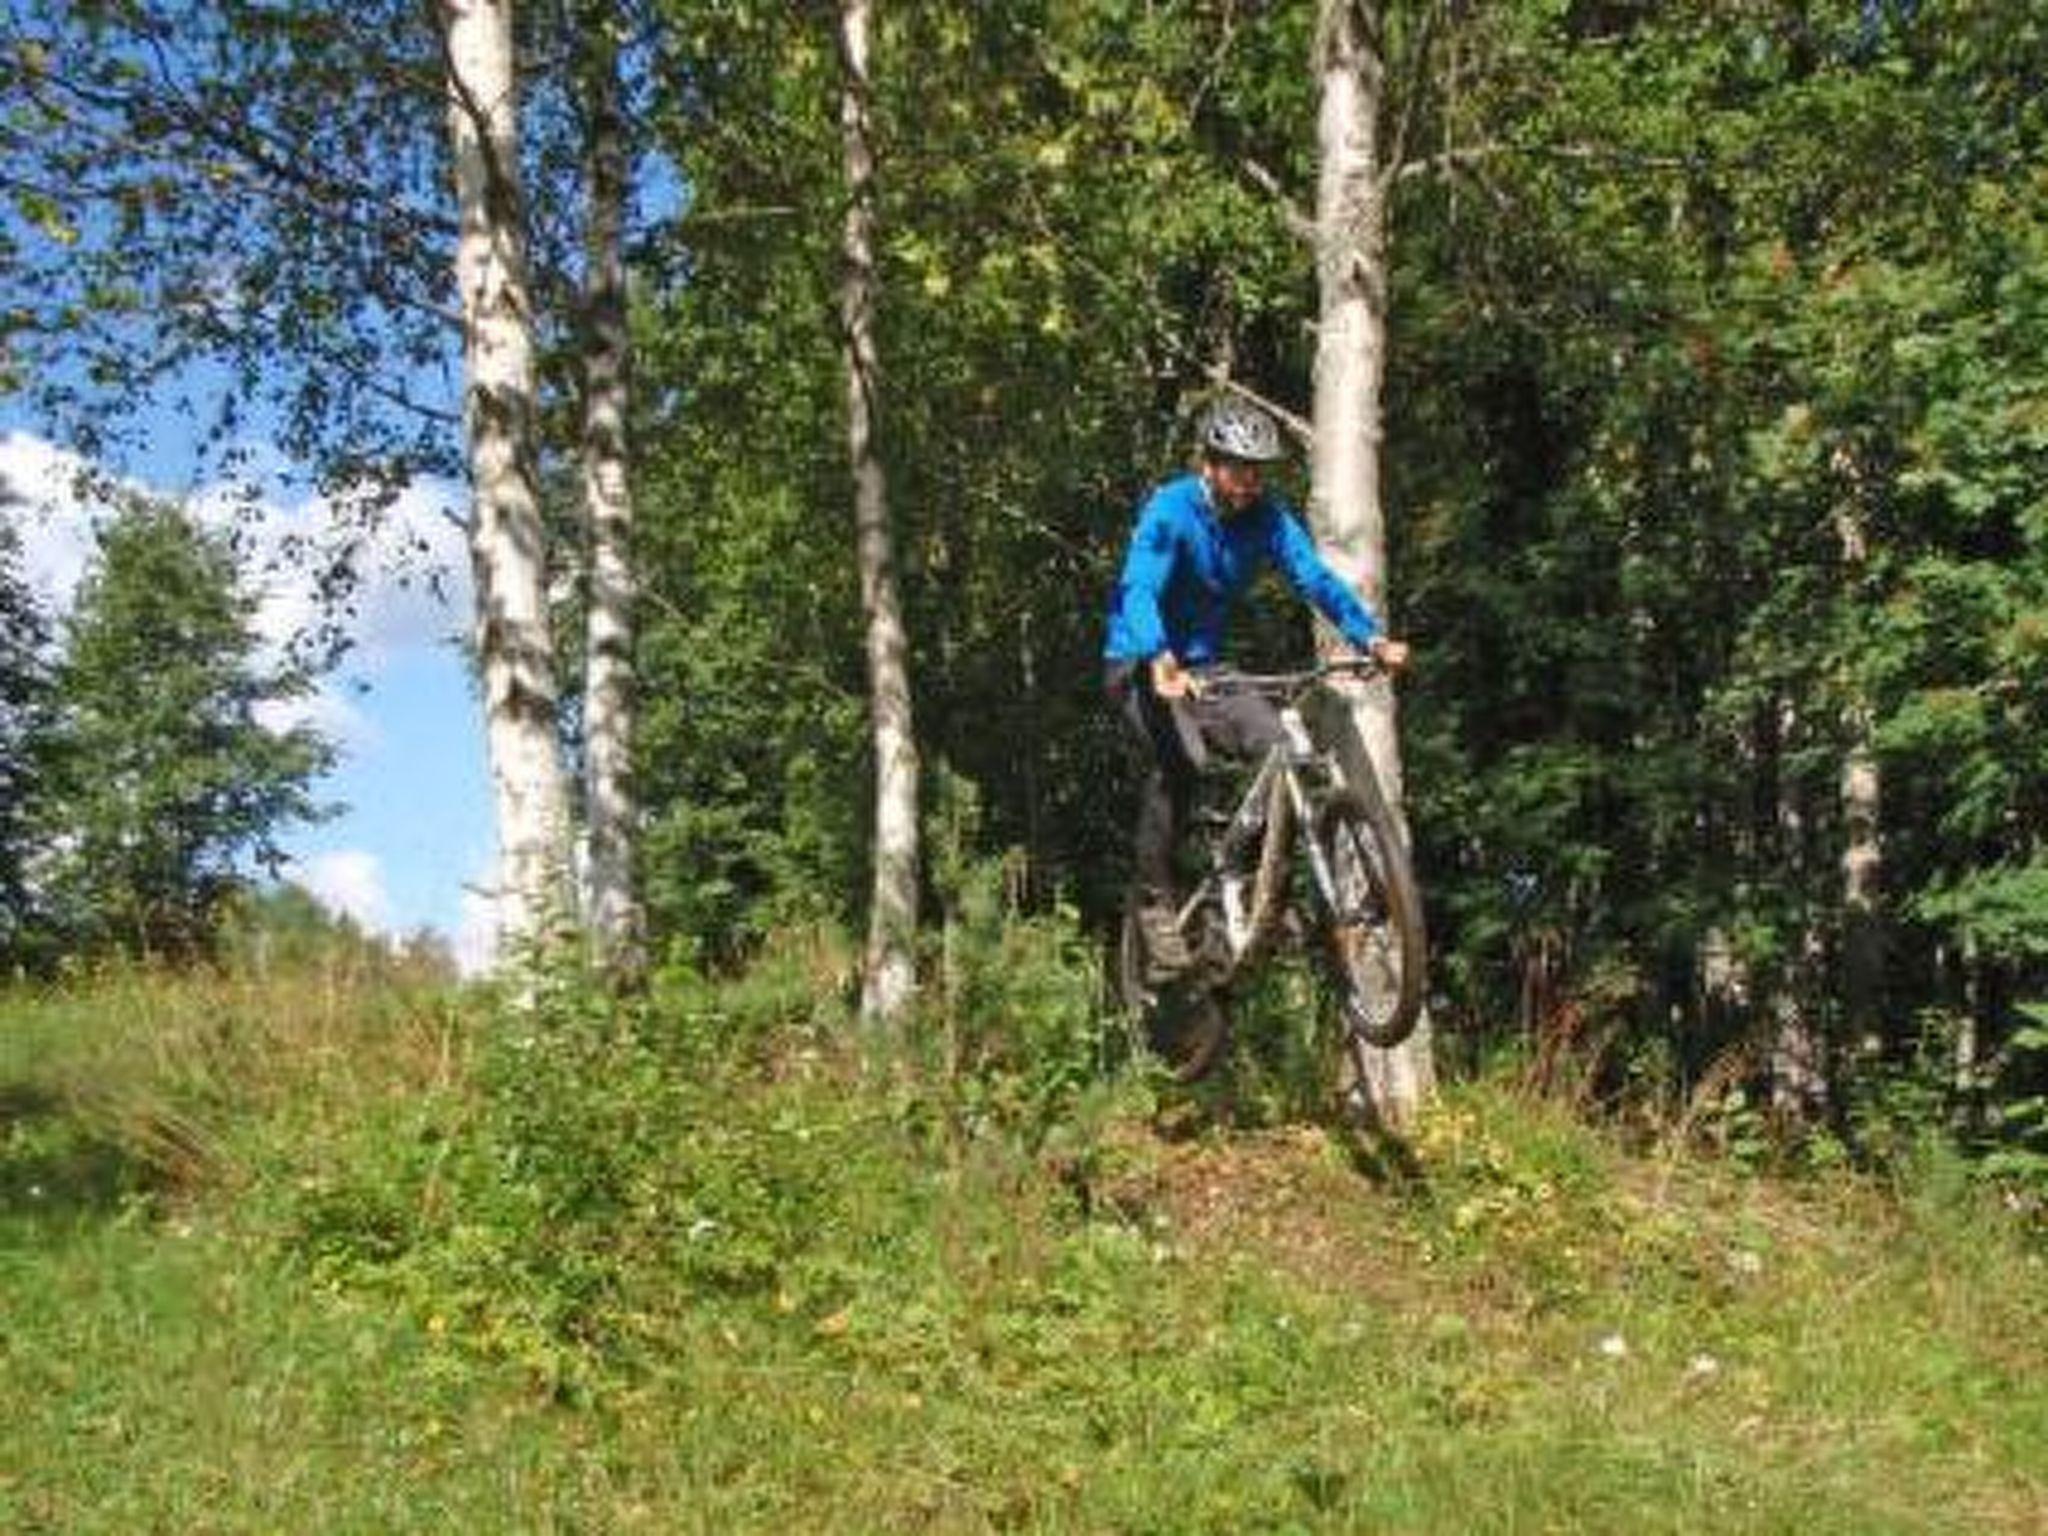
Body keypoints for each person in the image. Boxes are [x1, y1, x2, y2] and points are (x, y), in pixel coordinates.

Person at [1103, 396, 1408, 981]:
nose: (1248, 483)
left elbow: (1313, 577)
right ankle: (1153, 902)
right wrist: (1159, 656)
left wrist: (1369, 639)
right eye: (1238, 469)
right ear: (1210, 463)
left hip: (1208, 669)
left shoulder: (1265, 518)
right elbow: (1138, 586)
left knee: (1284, 750)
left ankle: (1253, 891)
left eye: (1257, 471)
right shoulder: (1170, 509)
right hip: (1140, 662)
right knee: (1184, 758)